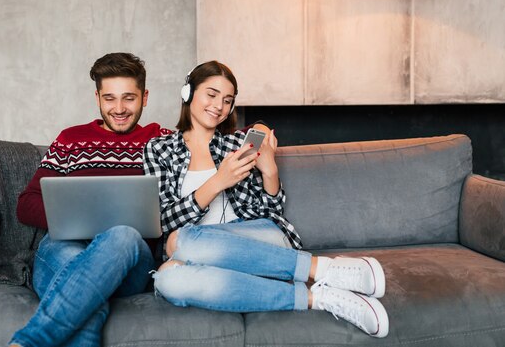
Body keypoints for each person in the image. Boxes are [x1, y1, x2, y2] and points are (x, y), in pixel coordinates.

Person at [143, 61, 389, 338]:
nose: (218, 107)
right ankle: (320, 298)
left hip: (258, 240)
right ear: (188, 93)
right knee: (167, 279)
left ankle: (323, 268)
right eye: (211, 95)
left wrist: (269, 169)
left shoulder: (237, 145)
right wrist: (217, 182)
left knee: (179, 242)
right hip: (208, 255)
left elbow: (270, 212)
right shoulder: (159, 149)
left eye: (227, 100)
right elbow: (163, 220)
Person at [9, 52, 171, 347]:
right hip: (63, 249)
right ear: (97, 97)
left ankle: (29, 341)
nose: (119, 108)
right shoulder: (71, 139)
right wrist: (77, 218)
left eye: (129, 98)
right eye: (109, 98)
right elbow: (27, 203)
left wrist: (260, 127)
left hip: (129, 260)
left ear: (145, 97)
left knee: (122, 235)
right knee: (83, 281)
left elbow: (213, 140)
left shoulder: (162, 141)